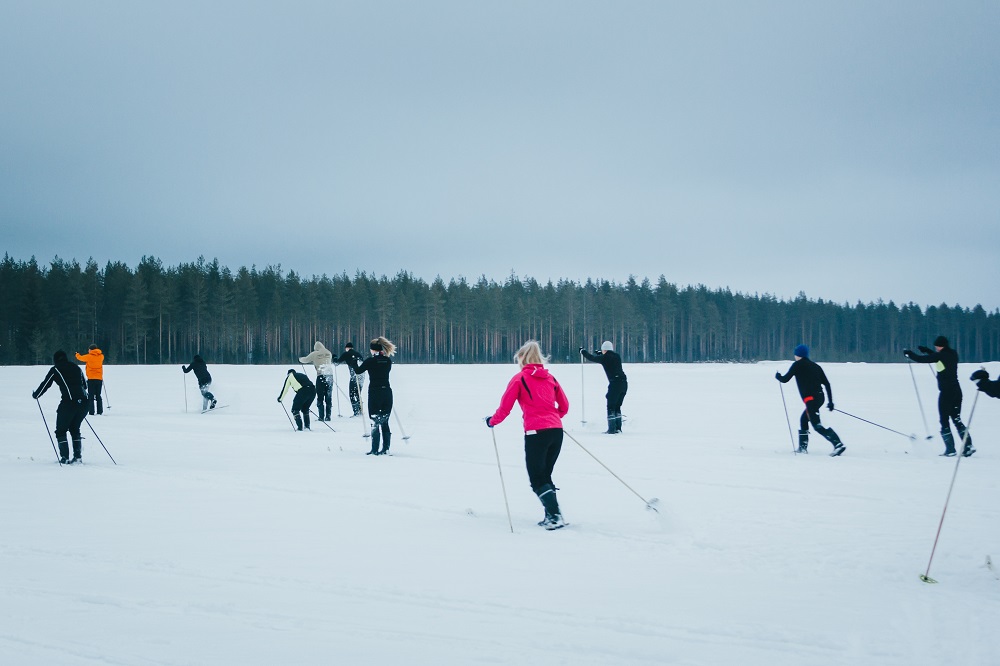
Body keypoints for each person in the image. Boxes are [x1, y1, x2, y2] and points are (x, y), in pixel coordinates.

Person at [486, 340, 570, 530]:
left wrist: (492, 421)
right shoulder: (551, 379)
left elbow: (505, 408)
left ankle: (555, 517)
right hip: (556, 432)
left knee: (537, 478)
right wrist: (553, 419)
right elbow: (564, 406)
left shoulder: (520, 378)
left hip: (536, 433)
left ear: (522, 358)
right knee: (545, 475)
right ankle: (552, 515)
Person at [905, 337, 974, 457]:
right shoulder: (952, 354)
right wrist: (928, 351)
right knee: (956, 419)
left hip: (946, 393)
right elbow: (939, 358)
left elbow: (922, 360)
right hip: (957, 391)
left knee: (944, 420)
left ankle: (950, 450)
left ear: (942, 346)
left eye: (937, 346)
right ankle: (968, 446)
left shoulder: (941, 356)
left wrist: (909, 354)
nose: (936, 348)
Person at [775, 344, 846, 456]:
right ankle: (802, 448)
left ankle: (838, 445)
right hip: (819, 398)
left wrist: (778, 376)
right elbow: (827, 384)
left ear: (798, 355)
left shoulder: (797, 365)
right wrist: (830, 402)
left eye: (796, 354)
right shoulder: (815, 366)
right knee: (804, 420)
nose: (795, 356)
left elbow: (785, 379)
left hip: (811, 399)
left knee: (816, 425)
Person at [33, 350, 89, 464]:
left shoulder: (56, 369)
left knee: (61, 430)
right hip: (84, 403)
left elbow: (46, 383)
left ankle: (65, 458)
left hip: (69, 403)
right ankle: (77, 457)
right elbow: (85, 385)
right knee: (75, 428)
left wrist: (36, 395)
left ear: (55, 359)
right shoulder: (76, 367)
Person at [347, 337, 395, 455]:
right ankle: (386, 448)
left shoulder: (370, 361)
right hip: (387, 392)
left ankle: (374, 449)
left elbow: (358, 371)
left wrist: (353, 363)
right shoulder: (387, 361)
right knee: (385, 421)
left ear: (373, 350)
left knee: (375, 420)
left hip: (375, 392)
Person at [580, 341, 628, 434]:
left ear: (604, 349)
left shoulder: (604, 358)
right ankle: (618, 428)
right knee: (617, 406)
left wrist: (583, 352)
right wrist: (600, 353)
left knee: (611, 406)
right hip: (624, 384)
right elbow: (609, 359)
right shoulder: (617, 356)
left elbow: (592, 358)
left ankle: (611, 429)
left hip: (615, 384)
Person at [299, 341, 334, 421]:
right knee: (328, 396)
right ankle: (328, 416)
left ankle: (321, 417)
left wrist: (299, 359)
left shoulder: (314, 354)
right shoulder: (328, 352)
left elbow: (305, 360)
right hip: (330, 376)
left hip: (321, 375)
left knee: (320, 396)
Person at [336, 342, 366, 417]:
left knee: (352, 394)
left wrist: (334, 357)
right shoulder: (358, 354)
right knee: (358, 393)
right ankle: (360, 410)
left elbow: (337, 362)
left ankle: (356, 412)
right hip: (362, 376)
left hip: (354, 375)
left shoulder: (346, 354)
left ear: (347, 348)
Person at [75, 344, 105, 415]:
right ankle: (100, 411)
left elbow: (80, 358)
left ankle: (91, 411)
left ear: (91, 350)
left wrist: (77, 354)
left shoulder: (89, 357)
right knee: (98, 395)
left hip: (91, 378)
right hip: (99, 378)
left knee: (91, 395)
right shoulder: (101, 356)